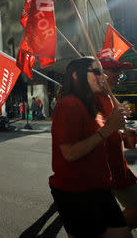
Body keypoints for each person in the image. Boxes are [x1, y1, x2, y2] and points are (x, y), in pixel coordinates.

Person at [49, 57, 131, 237]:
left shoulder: (90, 104)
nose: (103, 76)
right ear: (77, 76)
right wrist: (109, 128)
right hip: (76, 192)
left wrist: (116, 129)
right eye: (97, 71)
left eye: (102, 71)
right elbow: (69, 153)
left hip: (98, 186)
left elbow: (99, 138)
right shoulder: (69, 104)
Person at [97, 57, 137, 228]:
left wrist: (122, 134)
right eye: (115, 71)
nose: (120, 75)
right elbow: (90, 135)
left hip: (117, 167)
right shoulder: (93, 99)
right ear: (101, 74)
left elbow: (107, 129)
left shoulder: (108, 97)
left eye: (120, 72)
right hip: (108, 170)